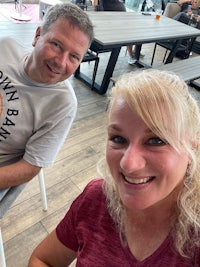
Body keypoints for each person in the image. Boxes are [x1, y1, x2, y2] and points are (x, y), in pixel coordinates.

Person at [28, 69, 200, 266]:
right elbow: (43, 259)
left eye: (156, 140)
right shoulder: (96, 199)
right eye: (118, 139)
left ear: (192, 146)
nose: (128, 163)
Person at [0, 3, 93, 192]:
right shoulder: (6, 47)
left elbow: (30, 167)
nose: (61, 62)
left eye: (74, 56)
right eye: (56, 45)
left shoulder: (62, 105)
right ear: (37, 36)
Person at [99, 0, 144, 65]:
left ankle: (135, 52)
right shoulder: (104, 2)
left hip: (121, 18)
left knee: (134, 29)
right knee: (129, 33)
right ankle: (132, 55)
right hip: (113, 22)